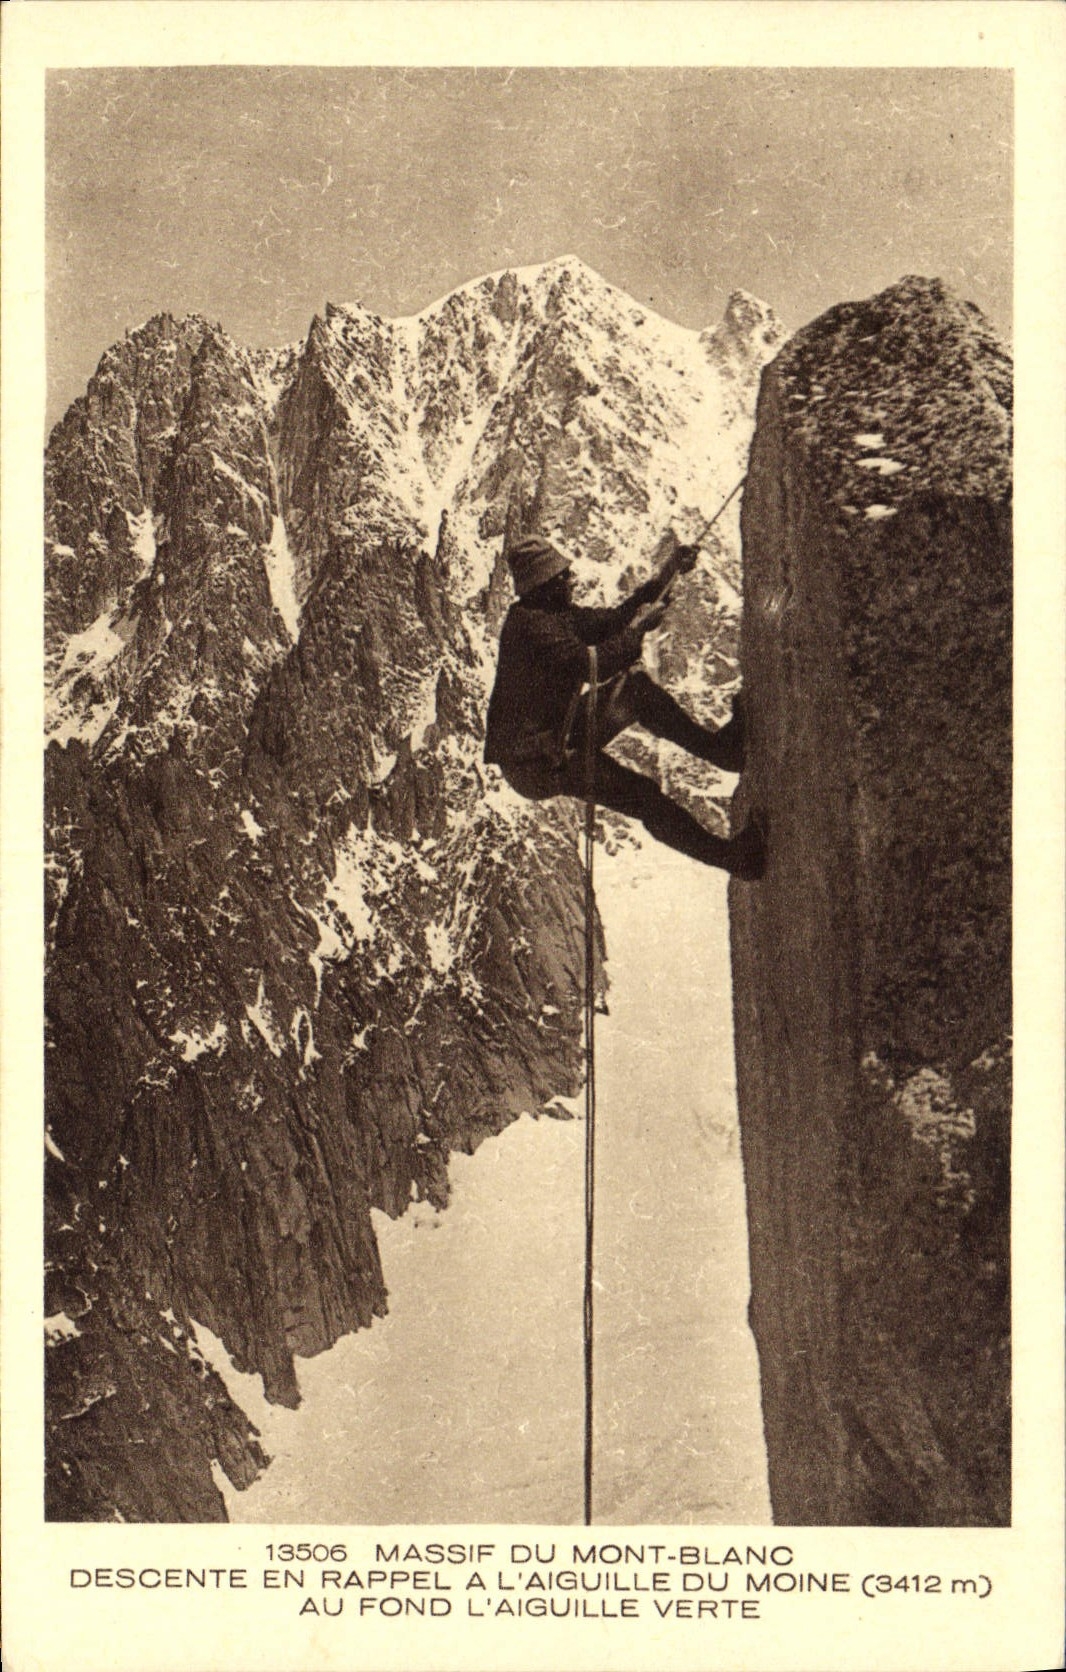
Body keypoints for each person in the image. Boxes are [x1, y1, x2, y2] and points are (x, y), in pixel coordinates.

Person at [483, 532, 766, 878]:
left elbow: (611, 621)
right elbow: (593, 665)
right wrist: (636, 630)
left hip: (555, 735)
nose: (571, 581)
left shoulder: (549, 613)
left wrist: (666, 576)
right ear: (545, 584)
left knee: (635, 691)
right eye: (563, 577)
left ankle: (723, 752)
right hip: (539, 761)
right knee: (642, 796)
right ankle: (734, 860)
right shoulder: (534, 628)